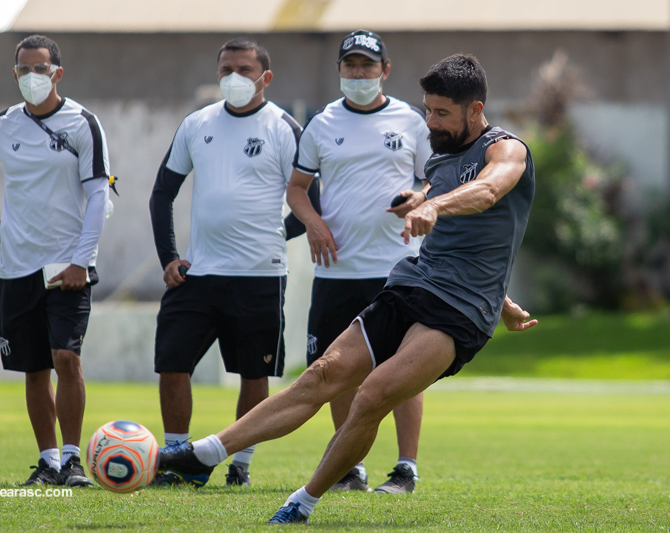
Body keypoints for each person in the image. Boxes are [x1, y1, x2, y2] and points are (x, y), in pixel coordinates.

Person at [158, 53, 538, 524]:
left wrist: (435, 206)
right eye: (427, 109)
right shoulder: (440, 155)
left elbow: (488, 192)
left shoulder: (506, 150)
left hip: (459, 312)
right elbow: (467, 247)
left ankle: (303, 501)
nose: (430, 121)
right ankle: (204, 455)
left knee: (372, 393)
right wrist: (502, 299)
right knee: (321, 376)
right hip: (417, 284)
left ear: (475, 110)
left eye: (441, 113)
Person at [0, 34, 111, 487]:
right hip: (16, 268)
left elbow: (100, 194)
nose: (31, 77)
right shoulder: (3, 126)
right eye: (23, 69)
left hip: (67, 267)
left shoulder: (83, 123)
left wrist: (82, 260)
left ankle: (73, 459)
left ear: (57, 73)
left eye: (39, 69)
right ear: (15, 74)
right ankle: (48, 463)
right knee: (34, 367)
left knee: (67, 357)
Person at [148, 38, 302, 488]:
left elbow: (314, 199)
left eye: (244, 69)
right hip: (198, 273)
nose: (233, 77)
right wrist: (169, 257)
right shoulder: (197, 124)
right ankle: (177, 458)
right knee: (172, 363)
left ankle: (239, 464)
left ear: (265, 78)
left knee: (253, 374)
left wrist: (280, 233)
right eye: (226, 69)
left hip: (260, 276)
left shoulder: (285, 127)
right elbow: (162, 193)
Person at [284, 30, 432, 494]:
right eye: (350, 65)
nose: (359, 73)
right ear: (339, 70)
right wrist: (312, 222)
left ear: (385, 70)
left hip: (398, 267)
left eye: (368, 65)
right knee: (338, 369)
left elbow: (435, 180)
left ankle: (405, 467)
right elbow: (296, 190)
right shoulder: (321, 125)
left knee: (406, 369)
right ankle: (351, 468)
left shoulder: (411, 121)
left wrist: (418, 197)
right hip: (337, 269)